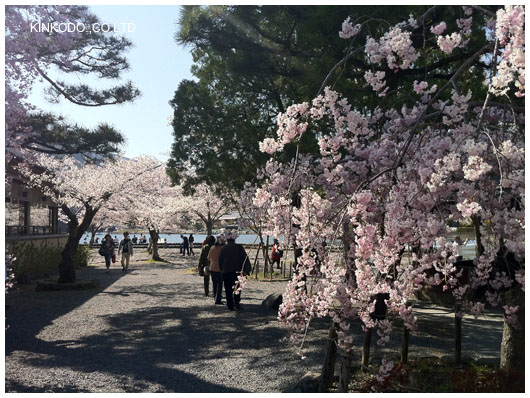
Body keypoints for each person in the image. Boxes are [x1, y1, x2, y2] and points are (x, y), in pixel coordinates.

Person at [218, 232, 251, 310]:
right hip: (237, 271)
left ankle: (230, 304)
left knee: (228, 288)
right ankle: (236, 302)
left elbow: (220, 260)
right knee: (237, 287)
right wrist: (247, 269)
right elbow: (245, 258)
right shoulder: (239, 247)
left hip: (226, 271)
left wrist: (221, 269)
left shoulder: (223, 248)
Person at [208, 235, 225, 304]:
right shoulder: (222, 249)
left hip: (212, 268)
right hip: (220, 268)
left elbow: (208, 258)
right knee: (220, 284)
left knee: (214, 283)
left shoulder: (212, 248)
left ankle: (215, 296)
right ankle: (218, 299)